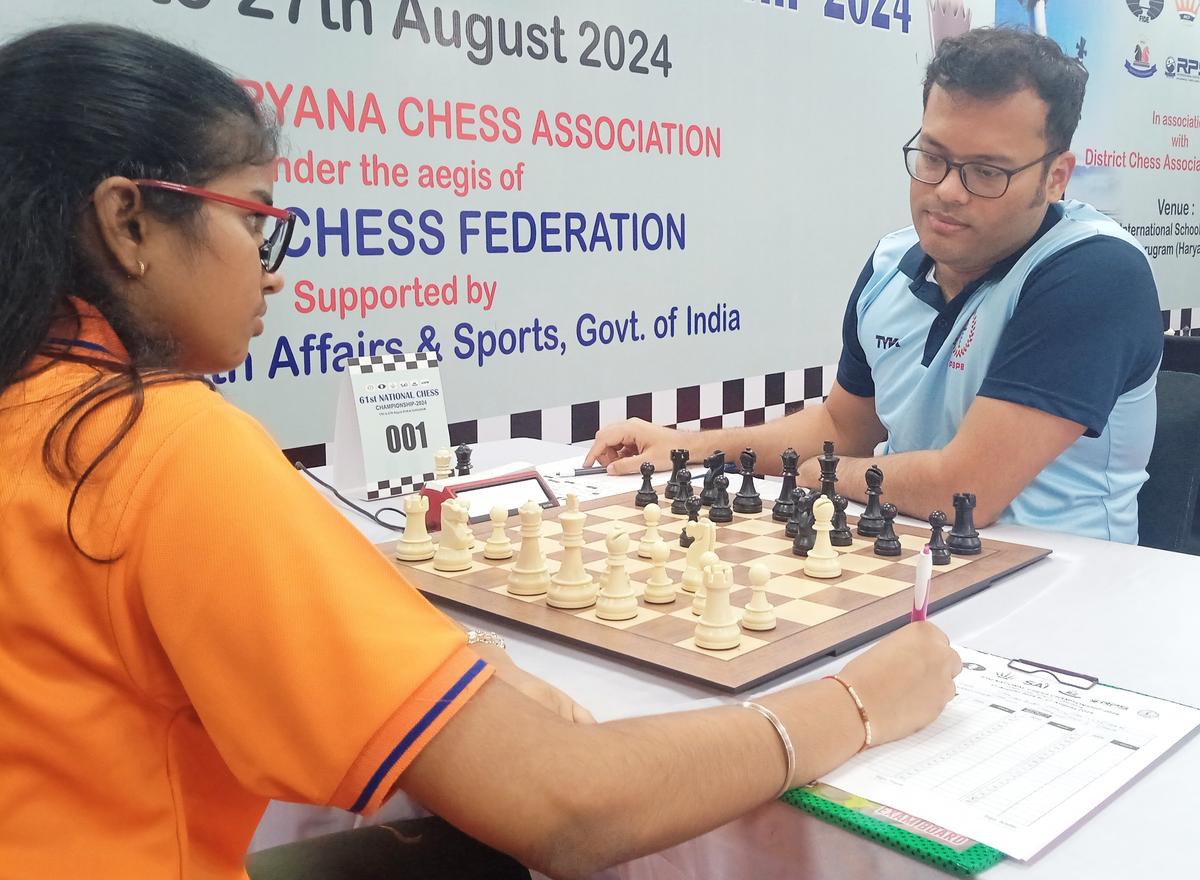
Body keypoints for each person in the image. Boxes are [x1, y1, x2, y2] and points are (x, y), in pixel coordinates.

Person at [0, 24, 960, 880]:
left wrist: (459, 656)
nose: (273, 275)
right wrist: (856, 700)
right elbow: (568, 809)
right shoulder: (153, 442)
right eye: (257, 222)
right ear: (130, 221)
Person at [588, 28, 1163, 544]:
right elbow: (844, 426)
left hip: (1065, 599)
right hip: (904, 561)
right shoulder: (891, 261)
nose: (947, 191)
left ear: (1056, 177)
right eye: (933, 157)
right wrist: (686, 447)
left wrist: (817, 476)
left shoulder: (1095, 272)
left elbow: (966, 490)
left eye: (987, 171)